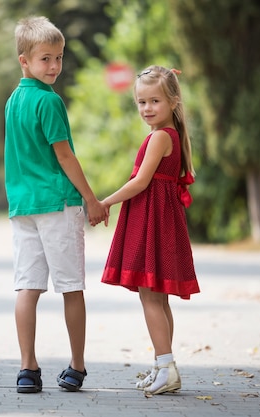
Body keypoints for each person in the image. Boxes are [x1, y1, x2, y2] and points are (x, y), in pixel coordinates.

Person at [4, 16, 108, 394]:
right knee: (70, 288)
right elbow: (64, 157)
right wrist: (92, 200)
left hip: (23, 206)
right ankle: (76, 367)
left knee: (27, 288)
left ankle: (27, 369)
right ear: (24, 61)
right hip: (58, 204)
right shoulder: (49, 101)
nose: (54, 66)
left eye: (59, 58)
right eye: (45, 58)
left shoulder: (14, 101)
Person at [100, 65, 200, 395]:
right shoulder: (169, 135)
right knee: (158, 298)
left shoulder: (160, 137)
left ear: (173, 101)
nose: (147, 109)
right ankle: (163, 367)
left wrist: (106, 202)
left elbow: (140, 182)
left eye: (154, 101)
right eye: (141, 102)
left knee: (151, 299)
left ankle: (166, 366)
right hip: (158, 220)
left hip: (152, 222)